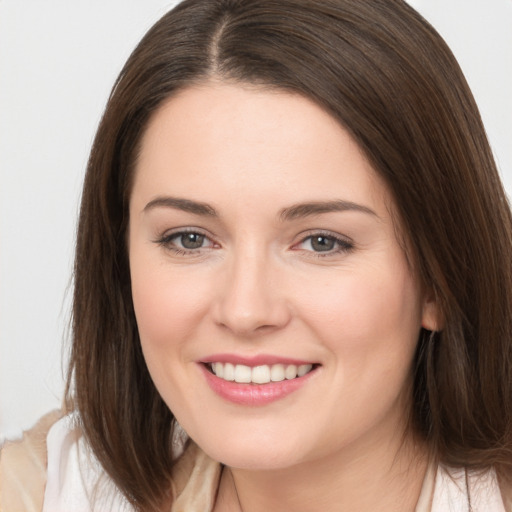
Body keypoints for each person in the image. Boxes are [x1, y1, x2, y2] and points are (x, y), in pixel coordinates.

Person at [2, 0, 512, 510]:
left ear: (440, 279)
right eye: (189, 238)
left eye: (321, 242)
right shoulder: (37, 492)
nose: (245, 311)